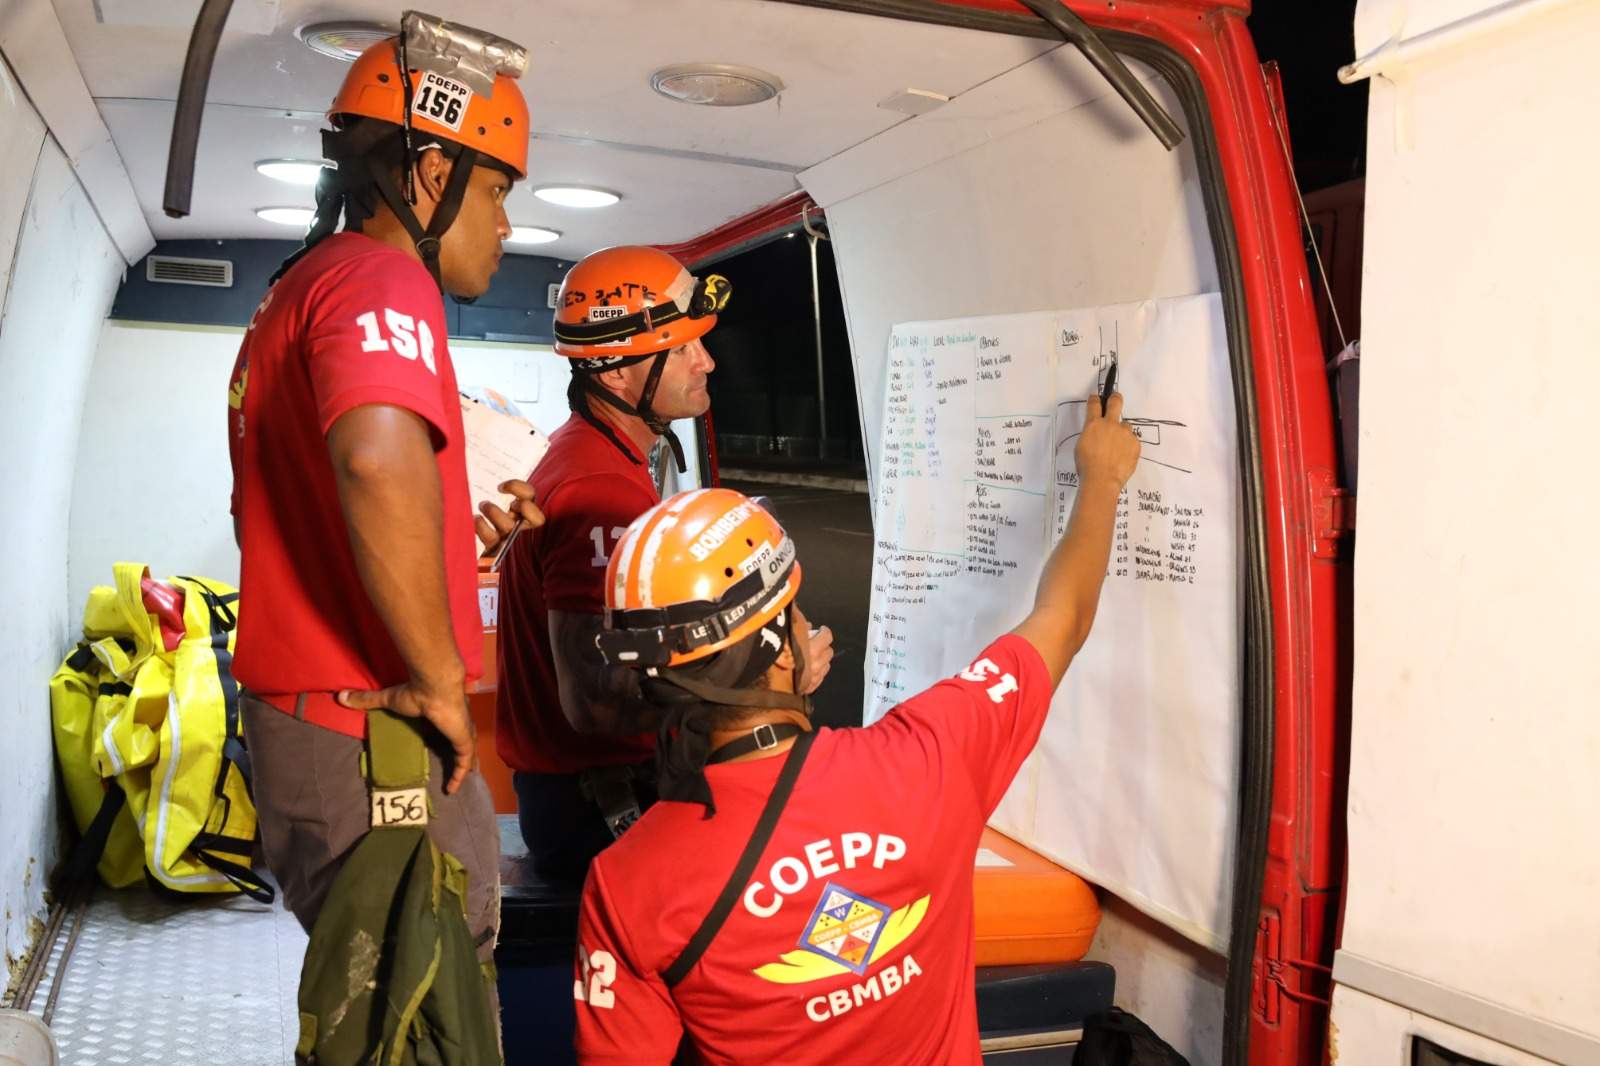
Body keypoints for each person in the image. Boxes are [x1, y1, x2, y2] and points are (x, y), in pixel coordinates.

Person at [571, 391, 1142, 1063]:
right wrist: (1101, 479)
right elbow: (1063, 617)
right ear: (781, 651)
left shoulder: (626, 882)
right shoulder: (927, 758)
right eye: (795, 611)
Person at [225, 16, 539, 985]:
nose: (506, 225)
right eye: (497, 190)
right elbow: (371, 460)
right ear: (434, 173)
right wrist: (441, 678)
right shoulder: (382, 279)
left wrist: (454, 544)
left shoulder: (301, 287)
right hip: (369, 736)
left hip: (316, 725)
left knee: (384, 1006)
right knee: (430, 1009)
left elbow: (316, 505)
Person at [495, 244, 835, 883]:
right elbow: (594, 706)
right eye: (680, 348)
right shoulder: (600, 492)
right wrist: (767, 687)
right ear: (615, 375)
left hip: (583, 793)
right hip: (599, 804)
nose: (706, 360)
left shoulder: (592, 456)